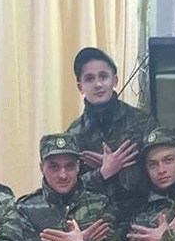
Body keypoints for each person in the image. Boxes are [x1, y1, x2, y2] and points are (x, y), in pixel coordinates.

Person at [66, 46, 157, 228]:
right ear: (80, 87)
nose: (98, 84)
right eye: (89, 78)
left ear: (114, 80)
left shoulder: (142, 123)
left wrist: (119, 168)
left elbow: (160, 175)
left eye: (103, 76)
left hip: (141, 224)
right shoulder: (73, 135)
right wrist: (102, 173)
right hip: (95, 227)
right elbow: (67, 190)